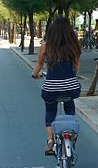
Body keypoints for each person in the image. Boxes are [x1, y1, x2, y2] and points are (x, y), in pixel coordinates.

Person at [32, 17, 81, 155]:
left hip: (51, 89)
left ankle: (50, 140)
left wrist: (35, 75)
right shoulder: (74, 45)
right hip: (71, 86)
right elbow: (76, 67)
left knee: (50, 111)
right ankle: (70, 132)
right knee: (69, 105)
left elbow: (39, 65)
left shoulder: (45, 46)